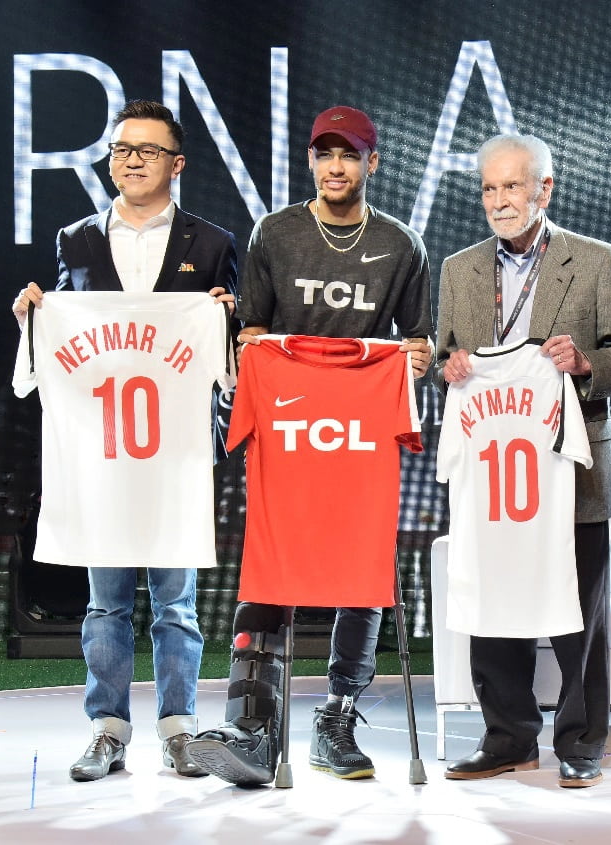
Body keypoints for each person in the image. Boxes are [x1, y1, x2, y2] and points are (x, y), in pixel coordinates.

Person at [184, 105, 432, 786]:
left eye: (349, 155)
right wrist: (249, 342)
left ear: (372, 163)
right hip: (290, 427)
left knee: (363, 570)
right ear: (311, 161)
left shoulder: (401, 244)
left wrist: (415, 358)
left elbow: (420, 340)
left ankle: (337, 718)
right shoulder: (275, 233)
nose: (335, 167)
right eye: (325, 154)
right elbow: (251, 335)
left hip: (361, 430)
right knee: (272, 561)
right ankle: (251, 727)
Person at [11, 99, 239, 782]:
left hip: (175, 456)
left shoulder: (212, 243)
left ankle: (178, 728)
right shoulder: (76, 239)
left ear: (178, 163)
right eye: (120, 149)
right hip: (102, 457)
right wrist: (35, 318)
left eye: (146, 149)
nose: (131, 160)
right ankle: (106, 729)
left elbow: (229, 360)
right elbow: (66, 335)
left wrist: (228, 319)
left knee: (176, 605)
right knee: (105, 602)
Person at [434, 134, 611, 788]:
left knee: (579, 615)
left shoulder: (596, 260)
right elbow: (441, 356)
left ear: (544, 189)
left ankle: (580, 741)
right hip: (493, 475)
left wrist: (584, 363)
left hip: (572, 473)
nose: (499, 200)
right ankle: (508, 737)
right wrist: (449, 367)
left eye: (512, 186)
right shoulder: (458, 270)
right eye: (489, 189)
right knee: (494, 606)